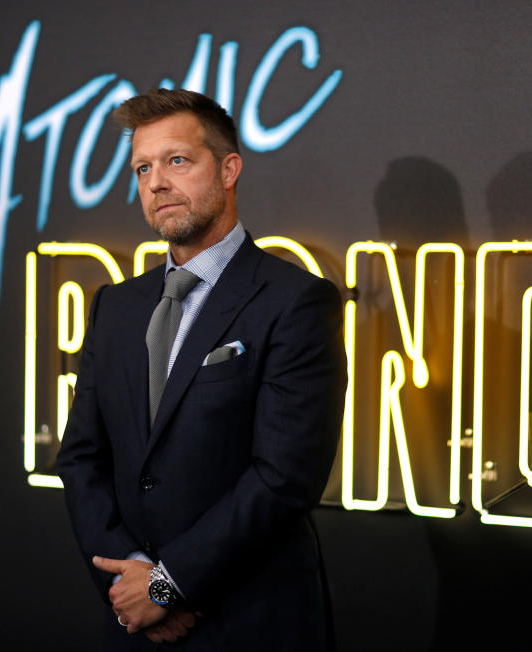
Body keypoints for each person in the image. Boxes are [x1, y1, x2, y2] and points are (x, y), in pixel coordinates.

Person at [56, 88, 347, 650]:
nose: (157, 181)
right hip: (133, 624)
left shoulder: (295, 301)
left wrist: (166, 586)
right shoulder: (115, 306)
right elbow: (82, 457)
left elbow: (284, 478)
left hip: (251, 622)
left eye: (177, 161)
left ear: (229, 168)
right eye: (143, 167)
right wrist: (131, 583)